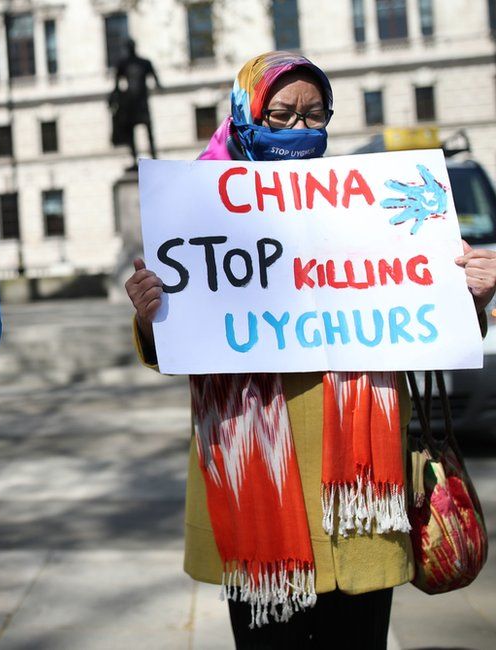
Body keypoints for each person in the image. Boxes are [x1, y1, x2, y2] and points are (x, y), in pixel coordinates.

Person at [124, 51, 496, 649]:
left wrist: (471, 297)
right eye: (280, 115)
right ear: (245, 114)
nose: (300, 131)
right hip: (257, 488)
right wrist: (152, 313)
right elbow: (173, 348)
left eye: (315, 115)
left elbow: (433, 328)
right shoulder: (201, 212)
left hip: (361, 500)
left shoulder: (371, 209)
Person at [110, 39, 161, 168]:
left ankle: (153, 156)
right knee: (132, 132)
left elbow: (156, 79)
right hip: (130, 103)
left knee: (148, 129)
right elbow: (116, 85)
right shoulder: (124, 64)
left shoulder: (143, 63)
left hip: (141, 102)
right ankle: (135, 159)